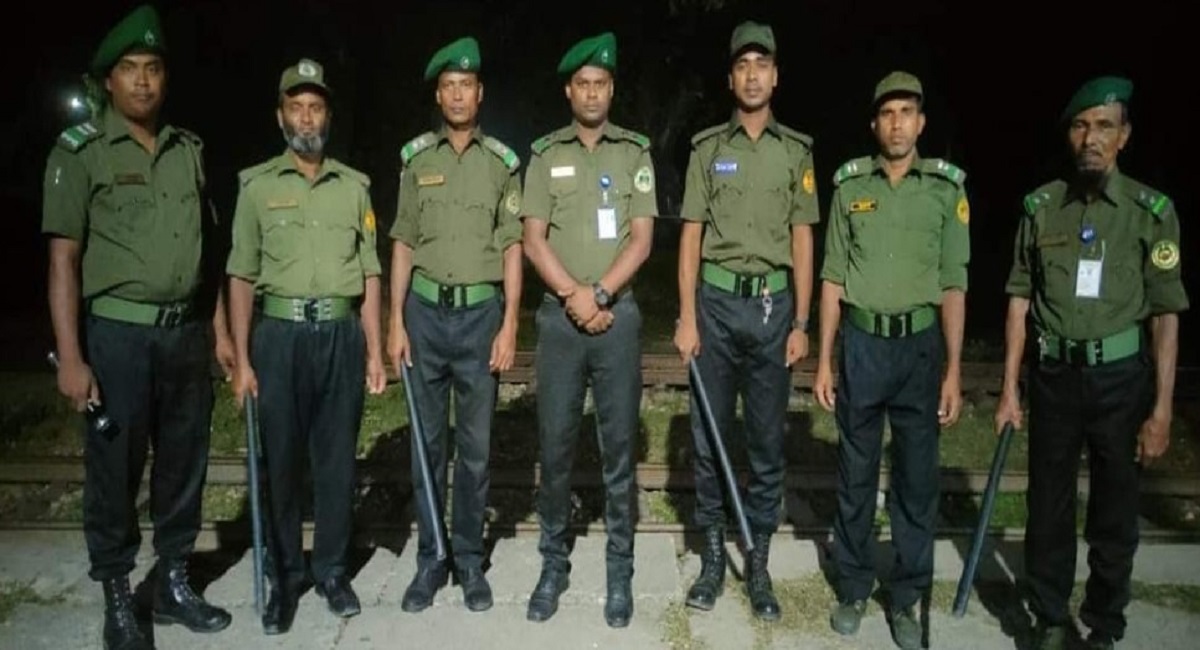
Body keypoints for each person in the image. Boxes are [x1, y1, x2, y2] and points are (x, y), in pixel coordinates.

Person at [41, 5, 235, 648]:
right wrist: (72, 356)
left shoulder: (187, 151)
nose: (143, 81)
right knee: (114, 470)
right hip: (118, 338)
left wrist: (218, 331)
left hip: (184, 336)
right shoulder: (82, 152)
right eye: (130, 69)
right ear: (109, 80)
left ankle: (174, 583)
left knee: (184, 463)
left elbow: (204, 252)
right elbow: (64, 261)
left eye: (153, 68)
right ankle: (119, 599)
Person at [995, 76, 1188, 650]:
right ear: (1069, 136)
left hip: (1120, 382)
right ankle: (1050, 616)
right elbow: (1019, 300)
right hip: (1054, 377)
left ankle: (1104, 623)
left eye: (1104, 126)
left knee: (1115, 511)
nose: (1091, 138)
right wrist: (1009, 388)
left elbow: (1166, 314)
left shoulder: (1150, 212)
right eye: (1081, 126)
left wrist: (1162, 409)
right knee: (1047, 506)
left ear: (1124, 136)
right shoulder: (1041, 208)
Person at [226, 57, 386, 634]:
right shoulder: (256, 187)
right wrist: (242, 360)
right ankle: (286, 577)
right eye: (296, 107)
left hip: (341, 334)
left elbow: (370, 272)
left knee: (337, 460)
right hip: (280, 337)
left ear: (328, 116)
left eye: (315, 107)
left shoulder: (355, 187)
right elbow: (241, 275)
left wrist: (374, 350)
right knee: (283, 461)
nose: (307, 117)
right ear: (281, 117)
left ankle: (333, 571)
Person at [815, 71, 969, 650]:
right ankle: (854, 586)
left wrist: (954, 369)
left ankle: (906, 597)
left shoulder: (945, 189)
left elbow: (953, 284)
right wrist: (824, 359)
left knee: (915, 480)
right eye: (887, 113)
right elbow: (833, 277)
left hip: (919, 349)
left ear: (921, 123)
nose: (897, 123)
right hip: (862, 344)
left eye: (907, 112)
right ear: (874, 124)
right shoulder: (850, 185)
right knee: (855, 475)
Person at [673, 19, 817, 622]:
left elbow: (803, 238)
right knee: (708, 438)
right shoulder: (708, 149)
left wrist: (801, 321)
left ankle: (757, 560)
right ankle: (712, 557)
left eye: (762, 65)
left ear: (776, 76)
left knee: (765, 442)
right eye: (742, 66)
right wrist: (686, 316)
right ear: (730, 78)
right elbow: (690, 236)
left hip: (772, 310)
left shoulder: (796, 152)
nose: (752, 75)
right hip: (715, 306)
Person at [520, 31, 657, 628]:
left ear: (611, 90)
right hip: (559, 321)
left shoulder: (634, 154)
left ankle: (619, 571)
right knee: (554, 447)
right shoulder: (545, 155)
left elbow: (642, 240)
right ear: (569, 91)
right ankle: (553, 565)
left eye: (601, 84)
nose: (593, 93)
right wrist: (574, 297)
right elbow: (533, 240)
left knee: (618, 450)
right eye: (583, 84)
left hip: (617, 317)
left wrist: (599, 294)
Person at [387, 36, 523, 614]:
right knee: (427, 446)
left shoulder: (502, 165)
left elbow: (512, 247)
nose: (459, 94)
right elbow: (402, 241)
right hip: (423, 315)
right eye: (449, 86)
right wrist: (394, 321)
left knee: (475, 450)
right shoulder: (417, 161)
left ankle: (468, 560)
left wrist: (510, 322)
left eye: (467, 85)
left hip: (480, 318)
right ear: (438, 97)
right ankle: (430, 559)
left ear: (480, 93)